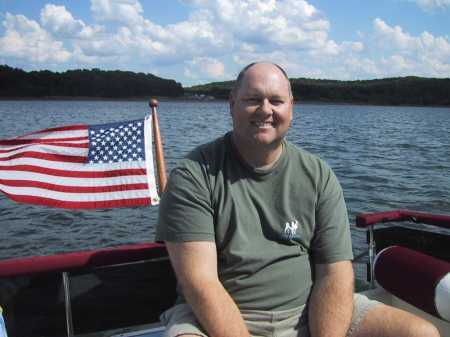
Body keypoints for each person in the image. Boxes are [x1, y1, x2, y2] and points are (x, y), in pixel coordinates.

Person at [156, 62, 440, 337]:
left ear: (291, 108)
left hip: (309, 308)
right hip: (214, 315)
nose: (265, 109)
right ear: (232, 104)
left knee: (422, 333)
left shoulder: (317, 175)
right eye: (252, 99)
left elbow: (334, 272)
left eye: (276, 101)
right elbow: (200, 283)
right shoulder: (194, 175)